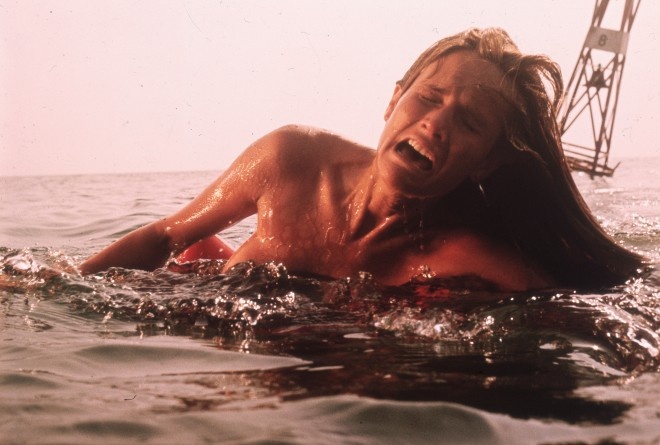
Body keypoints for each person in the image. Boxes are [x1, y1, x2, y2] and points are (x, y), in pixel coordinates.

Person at [80, 27, 644, 291]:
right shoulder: (291, 160)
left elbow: (581, 303)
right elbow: (165, 236)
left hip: (328, 383)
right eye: (428, 98)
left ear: (487, 163)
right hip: (226, 347)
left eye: (470, 123)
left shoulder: (468, 254)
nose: (436, 124)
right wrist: (60, 288)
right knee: (197, 257)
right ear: (394, 99)